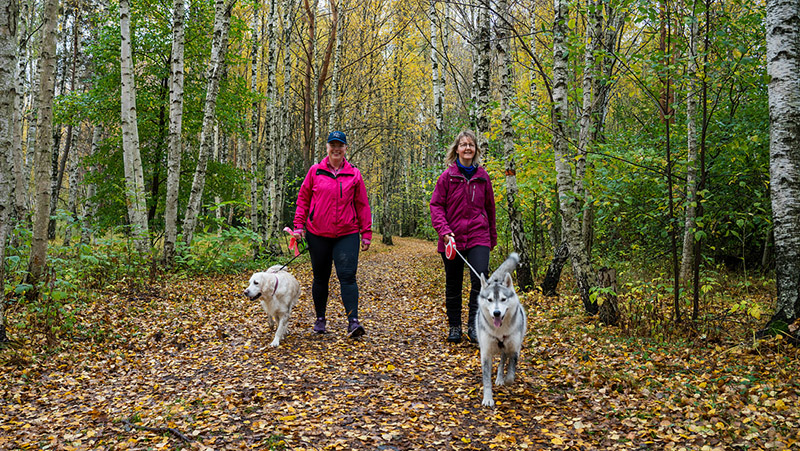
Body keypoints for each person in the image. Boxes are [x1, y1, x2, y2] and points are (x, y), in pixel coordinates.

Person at [292, 131, 372, 338]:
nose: (336, 149)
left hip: (347, 233)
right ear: (327, 147)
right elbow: (303, 199)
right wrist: (298, 227)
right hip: (318, 233)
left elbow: (362, 204)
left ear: (346, 148)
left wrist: (366, 232)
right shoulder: (315, 171)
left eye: (340, 145)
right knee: (320, 277)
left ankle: (353, 322)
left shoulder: (354, 174)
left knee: (348, 277)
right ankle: (320, 319)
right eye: (332, 145)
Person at [429, 130, 497, 344]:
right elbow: (436, 205)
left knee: (480, 278)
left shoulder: (483, 177)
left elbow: (490, 208)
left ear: (475, 150)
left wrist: (491, 237)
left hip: (479, 236)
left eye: (471, 145)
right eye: (463, 144)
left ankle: (474, 326)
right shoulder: (447, 177)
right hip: (452, 239)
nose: (467, 148)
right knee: (454, 283)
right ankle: (455, 327)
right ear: (456, 149)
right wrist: (444, 231)